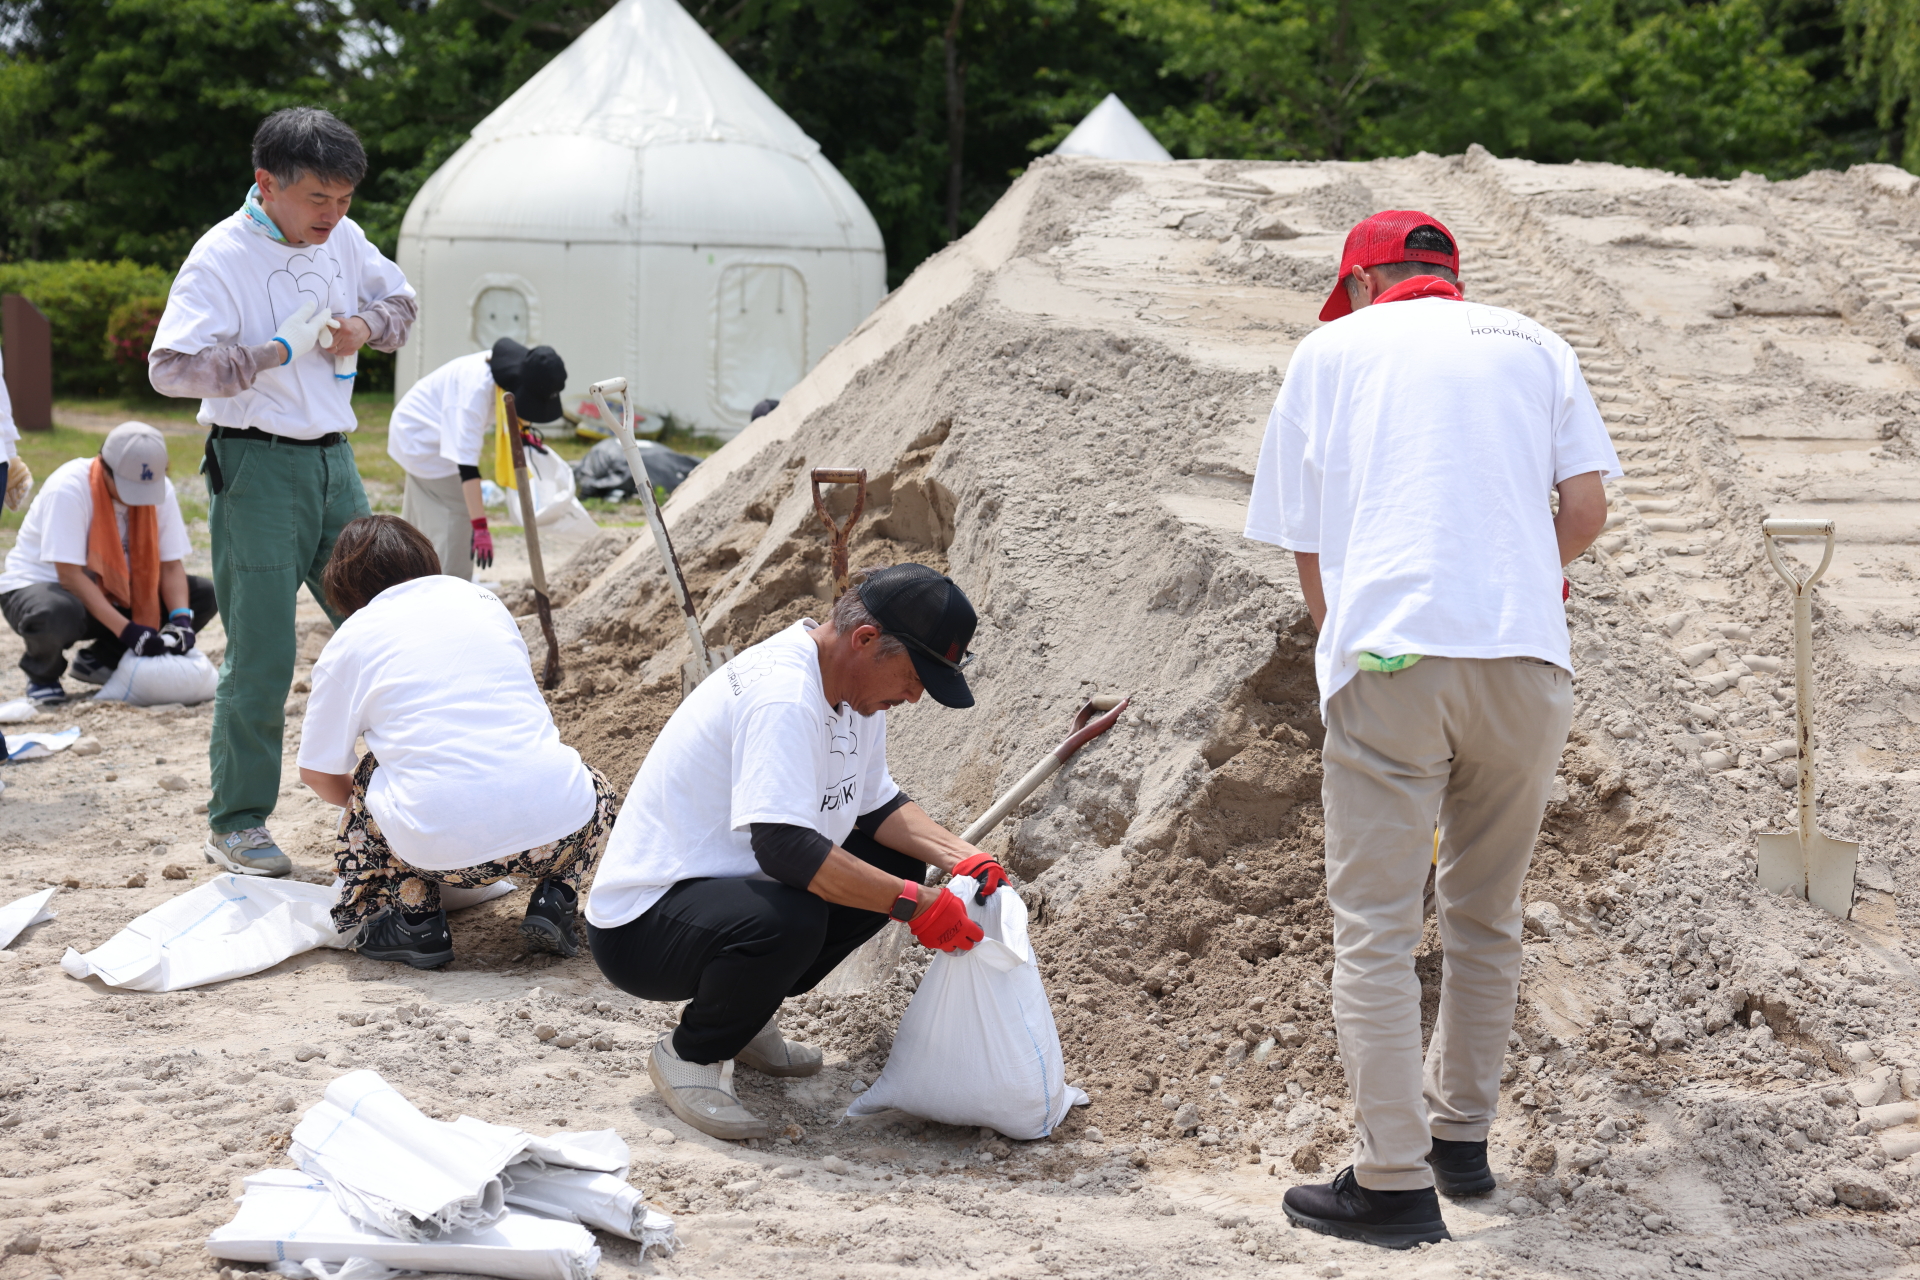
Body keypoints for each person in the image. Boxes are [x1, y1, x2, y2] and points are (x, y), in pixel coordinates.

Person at [1243, 210, 1617, 1248]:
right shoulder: (1537, 344)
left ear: (1364, 283)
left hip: (1395, 659)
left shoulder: (1330, 351)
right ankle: (1462, 1141)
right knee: (1486, 913)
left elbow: (1307, 537)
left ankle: (1394, 1182)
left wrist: (1345, 642)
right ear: (1449, 276)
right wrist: (1513, 576)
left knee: (1375, 927)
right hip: (1528, 661)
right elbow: (1585, 510)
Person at [586, 564, 1005, 1141]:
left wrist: (963, 856)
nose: (914, 696)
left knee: (895, 865)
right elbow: (783, 849)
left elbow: (875, 805)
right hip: (642, 925)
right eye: (914, 677)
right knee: (795, 917)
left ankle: (744, 1015)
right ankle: (692, 1056)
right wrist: (915, 905)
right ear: (865, 640)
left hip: (722, 893)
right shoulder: (784, 696)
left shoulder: (854, 692)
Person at [148, 106, 416, 879]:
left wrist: (362, 327)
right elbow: (171, 369)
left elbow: (402, 307)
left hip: (336, 461)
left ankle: (415, 800)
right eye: (317, 199)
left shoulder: (346, 239)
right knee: (264, 651)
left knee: (388, 629)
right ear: (267, 184)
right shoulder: (220, 256)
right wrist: (272, 352)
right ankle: (237, 823)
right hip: (256, 465)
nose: (333, 215)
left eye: (345, 198)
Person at [296, 515, 616, 967]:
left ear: (347, 588)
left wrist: (373, 813)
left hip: (441, 856)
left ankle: (418, 923)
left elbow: (317, 772)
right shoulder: (483, 601)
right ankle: (556, 898)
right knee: (594, 788)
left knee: (370, 776)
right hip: (558, 831)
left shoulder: (351, 640)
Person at [0, 423, 217, 704]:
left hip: (117, 588)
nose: (138, 499)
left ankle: (101, 661)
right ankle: (43, 675)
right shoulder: (68, 487)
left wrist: (181, 620)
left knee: (204, 595)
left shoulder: (160, 489)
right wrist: (129, 631)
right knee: (54, 613)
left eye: (146, 489)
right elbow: (70, 577)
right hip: (49, 586)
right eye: (130, 488)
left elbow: (171, 565)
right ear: (104, 466)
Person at [386, 339, 568, 581]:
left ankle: (410, 575)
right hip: (421, 438)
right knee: (458, 514)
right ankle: (450, 586)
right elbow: (467, 469)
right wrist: (480, 527)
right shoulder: (472, 397)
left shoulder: (515, 368)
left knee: (422, 514)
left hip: (421, 427)